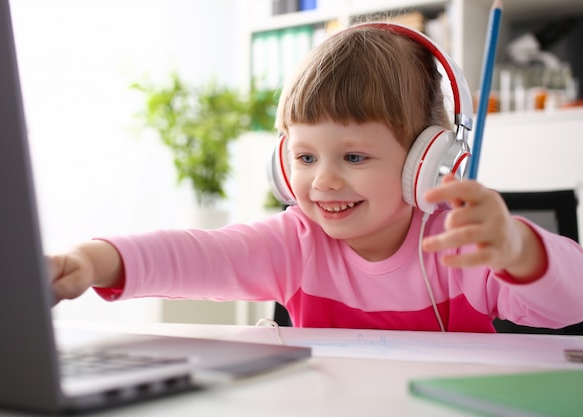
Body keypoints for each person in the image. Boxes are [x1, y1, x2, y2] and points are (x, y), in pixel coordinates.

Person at [50, 22, 583, 332]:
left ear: (428, 161)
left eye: (353, 158)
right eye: (305, 158)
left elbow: (570, 304)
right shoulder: (295, 243)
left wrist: (518, 249)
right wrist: (92, 261)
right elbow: (196, 254)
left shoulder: (460, 247)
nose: (323, 182)